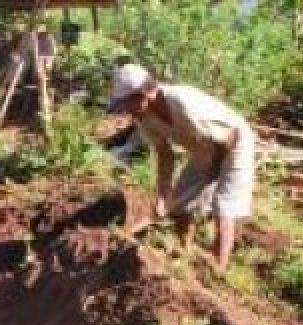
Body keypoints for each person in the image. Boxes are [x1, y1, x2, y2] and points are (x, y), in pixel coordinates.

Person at [106, 63, 256, 271]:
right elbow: (165, 155)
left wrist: (212, 171)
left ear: (142, 94)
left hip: (235, 141)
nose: (126, 111)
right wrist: (162, 196)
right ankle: (185, 252)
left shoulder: (183, 102)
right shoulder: (144, 119)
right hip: (204, 147)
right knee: (182, 205)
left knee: (224, 205)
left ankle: (218, 267)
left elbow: (229, 139)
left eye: (127, 103)